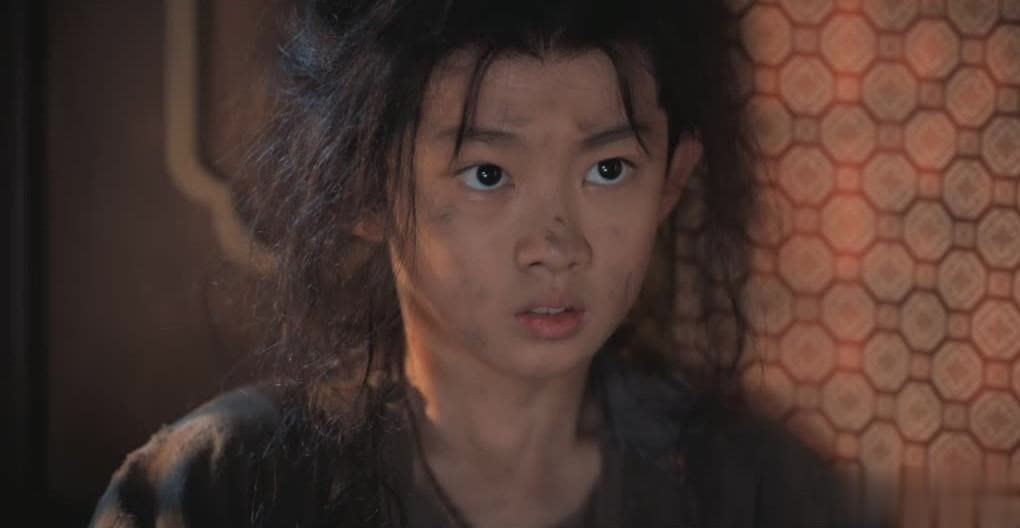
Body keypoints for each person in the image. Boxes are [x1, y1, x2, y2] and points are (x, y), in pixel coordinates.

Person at [90, 0, 889, 526]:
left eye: (609, 169)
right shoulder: (220, 491)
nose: (556, 245)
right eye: (487, 175)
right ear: (365, 187)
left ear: (672, 180)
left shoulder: (762, 494)